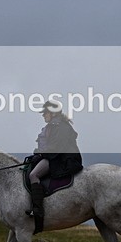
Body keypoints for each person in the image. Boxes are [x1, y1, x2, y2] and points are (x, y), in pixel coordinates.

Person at [25, 100, 83, 233]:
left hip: (62, 159)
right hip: (54, 157)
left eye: (45, 112)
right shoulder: (52, 125)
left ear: (52, 112)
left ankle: (37, 209)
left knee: (34, 175)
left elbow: (56, 147)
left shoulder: (61, 126)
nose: (43, 115)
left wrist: (39, 154)